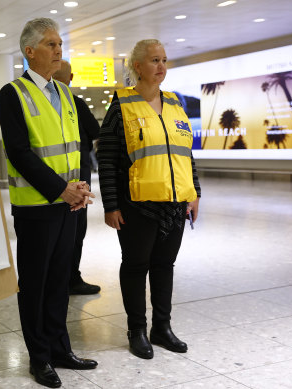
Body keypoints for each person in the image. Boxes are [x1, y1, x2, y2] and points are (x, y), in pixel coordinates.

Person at [0, 18, 97, 388]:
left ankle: (60, 349)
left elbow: (77, 146)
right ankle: (39, 358)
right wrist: (61, 189)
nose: (59, 50)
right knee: (36, 286)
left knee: (59, 283)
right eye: (51, 44)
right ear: (30, 51)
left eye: (60, 44)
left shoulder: (66, 94)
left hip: (69, 205)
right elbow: (21, 153)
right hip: (37, 208)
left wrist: (78, 188)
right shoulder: (13, 94)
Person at [97, 39, 201, 360]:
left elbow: (186, 154)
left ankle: (162, 328)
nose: (161, 67)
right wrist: (111, 205)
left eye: (164, 60)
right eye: (154, 60)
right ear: (137, 67)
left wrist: (194, 191)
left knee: (164, 265)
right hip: (136, 204)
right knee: (136, 265)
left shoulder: (174, 103)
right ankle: (137, 330)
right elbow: (107, 159)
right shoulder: (121, 106)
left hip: (174, 203)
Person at [52, 60, 101, 295]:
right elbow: (95, 131)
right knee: (76, 230)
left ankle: (56, 279)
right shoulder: (75, 103)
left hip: (51, 180)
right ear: (71, 77)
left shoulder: (43, 103)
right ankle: (72, 278)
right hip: (78, 177)